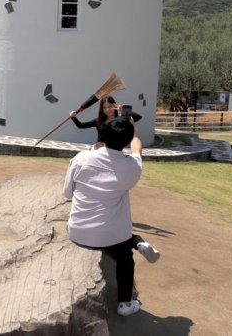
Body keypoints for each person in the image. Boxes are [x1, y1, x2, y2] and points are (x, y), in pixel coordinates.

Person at [63, 116, 161, 317]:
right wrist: (135, 130)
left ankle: (137, 241)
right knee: (125, 256)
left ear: (103, 134)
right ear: (127, 139)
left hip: (78, 231)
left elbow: (67, 193)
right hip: (112, 237)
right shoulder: (131, 167)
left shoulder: (81, 158)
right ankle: (125, 303)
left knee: (120, 234)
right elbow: (137, 149)